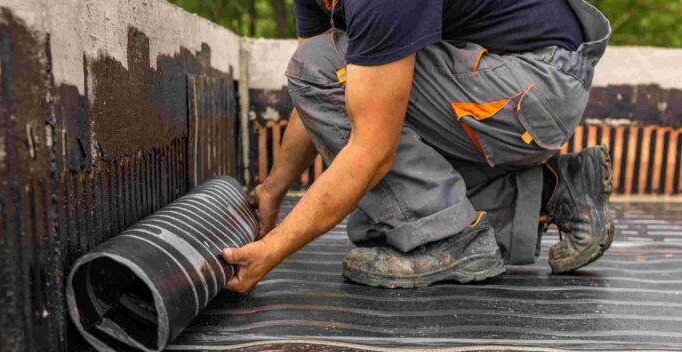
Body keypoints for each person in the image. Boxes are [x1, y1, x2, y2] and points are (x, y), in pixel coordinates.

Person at [223, 0, 613, 291]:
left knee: (389, 199)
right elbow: (317, 89)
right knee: (380, 213)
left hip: (536, 86)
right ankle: (556, 189)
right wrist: (273, 187)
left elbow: (368, 146)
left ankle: (447, 240)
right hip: (510, 81)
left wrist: (274, 249)